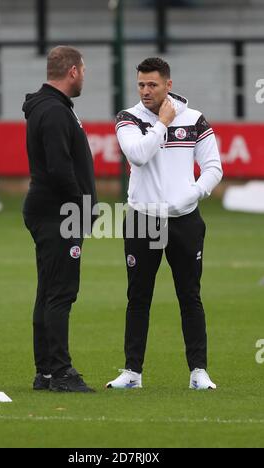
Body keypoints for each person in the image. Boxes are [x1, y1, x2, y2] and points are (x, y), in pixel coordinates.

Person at [106, 57, 223, 390]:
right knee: (138, 297)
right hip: (143, 219)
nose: (145, 91)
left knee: (190, 295)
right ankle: (132, 373)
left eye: (152, 84)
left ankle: (199, 372)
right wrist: (162, 122)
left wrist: (194, 194)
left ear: (168, 85)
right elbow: (138, 155)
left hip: (185, 220)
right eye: (141, 84)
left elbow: (214, 167)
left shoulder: (195, 120)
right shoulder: (128, 118)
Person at [22, 46, 97, 393]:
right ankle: (61, 372)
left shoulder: (51, 107)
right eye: (83, 70)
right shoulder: (53, 111)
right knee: (61, 293)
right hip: (58, 212)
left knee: (49, 290)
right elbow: (58, 168)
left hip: (52, 210)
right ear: (72, 72)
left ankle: (47, 372)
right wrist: (82, 204)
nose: (85, 75)